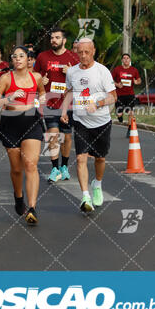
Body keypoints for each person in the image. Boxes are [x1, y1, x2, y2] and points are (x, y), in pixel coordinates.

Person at [0, 46, 45, 225]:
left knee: (31, 165)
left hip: (32, 124)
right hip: (11, 126)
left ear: (28, 58)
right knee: (16, 169)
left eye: (22, 56)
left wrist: (37, 102)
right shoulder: (6, 78)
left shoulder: (36, 77)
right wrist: (10, 97)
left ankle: (32, 208)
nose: (19, 59)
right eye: (15, 57)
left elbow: (43, 95)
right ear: (12, 60)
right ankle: (18, 197)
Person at [61, 38, 117, 213]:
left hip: (101, 122)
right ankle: (85, 196)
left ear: (93, 51)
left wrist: (98, 104)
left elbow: (113, 97)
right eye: (80, 52)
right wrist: (63, 111)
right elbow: (69, 92)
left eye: (87, 52)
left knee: (100, 158)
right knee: (80, 158)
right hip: (81, 121)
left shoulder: (102, 71)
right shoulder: (71, 72)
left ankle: (97, 184)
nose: (83, 56)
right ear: (76, 52)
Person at [34, 28, 79, 183]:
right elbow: (35, 76)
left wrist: (71, 72)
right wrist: (41, 81)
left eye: (57, 37)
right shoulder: (42, 56)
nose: (54, 40)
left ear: (64, 40)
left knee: (67, 137)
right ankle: (54, 168)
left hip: (69, 104)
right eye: (52, 37)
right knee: (53, 134)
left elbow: (82, 80)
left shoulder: (73, 58)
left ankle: (64, 166)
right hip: (50, 103)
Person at [111, 54, 141, 137]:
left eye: (127, 58)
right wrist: (117, 84)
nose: (126, 60)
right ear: (122, 60)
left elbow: (139, 80)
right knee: (119, 114)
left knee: (131, 113)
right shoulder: (117, 69)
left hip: (130, 95)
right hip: (119, 95)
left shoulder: (134, 70)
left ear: (130, 60)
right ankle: (120, 117)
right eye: (124, 58)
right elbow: (110, 80)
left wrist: (136, 82)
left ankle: (129, 129)